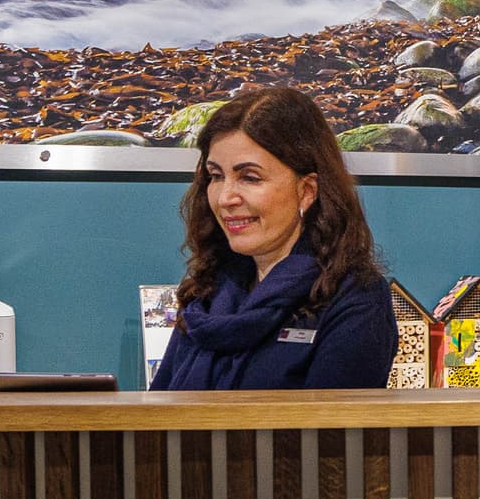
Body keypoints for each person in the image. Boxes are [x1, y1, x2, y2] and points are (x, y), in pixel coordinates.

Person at [150, 85, 401, 391]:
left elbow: (331, 434)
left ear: (306, 191)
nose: (226, 197)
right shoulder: (207, 293)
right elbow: (157, 416)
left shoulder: (355, 299)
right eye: (216, 176)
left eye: (250, 177)